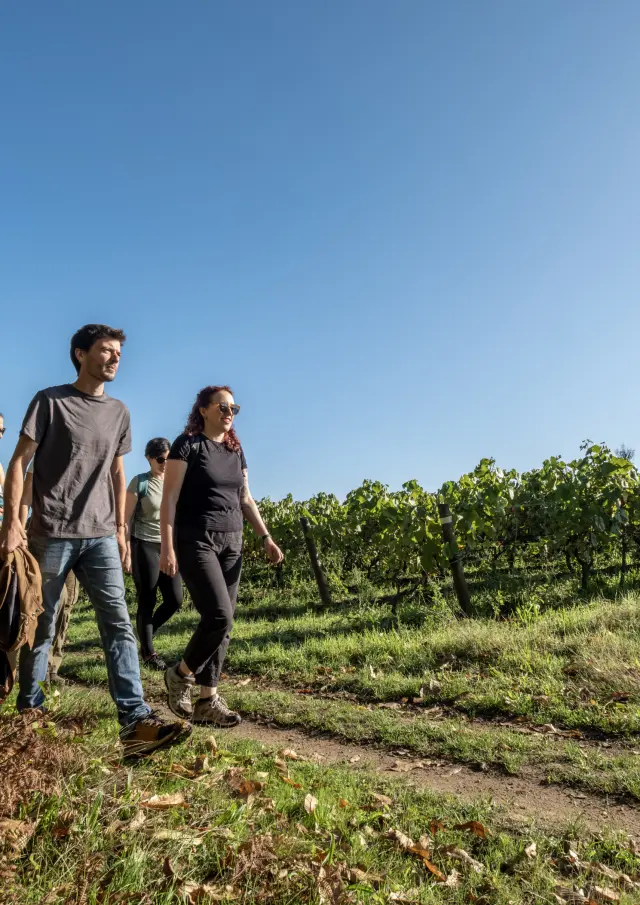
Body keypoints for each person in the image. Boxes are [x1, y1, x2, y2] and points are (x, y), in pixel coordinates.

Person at [0, 324, 190, 755]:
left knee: (118, 625)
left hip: (101, 535)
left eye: (119, 353)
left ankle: (135, 722)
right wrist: (13, 521)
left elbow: (117, 473)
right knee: (40, 627)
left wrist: (121, 532)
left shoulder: (120, 412)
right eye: (106, 351)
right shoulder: (49, 401)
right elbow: (19, 463)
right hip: (50, 534)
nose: (115, 358)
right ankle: (30, 713)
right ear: (80, 354)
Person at [160, 385, 283, 726]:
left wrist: (265, 537)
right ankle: (180, 674)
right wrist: (167, 546)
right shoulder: (187, 444)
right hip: (195, 539)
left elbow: (245, 498)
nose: (230, 413)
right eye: (223, 406)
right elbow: (169, 499)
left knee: (223, 626)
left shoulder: (235, 450)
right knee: (219, 617)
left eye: (234, 408)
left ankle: (206, 701)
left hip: (233, 541)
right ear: (203, 409)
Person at [125, 437, 183, 670]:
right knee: (147, 599)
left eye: (168, 459)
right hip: (144, 545)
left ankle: (144, 633)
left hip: (168, 546)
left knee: (175, 599)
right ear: (149, 458)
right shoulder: (140, 483)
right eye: (160, 459)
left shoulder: (175, 482)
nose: (165, 464)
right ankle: (148, 653)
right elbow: (127, 519)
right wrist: (127, 550)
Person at [19, 464, 79, 686]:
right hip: (46, 534)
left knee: (68, 603)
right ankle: (35, 667)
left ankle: (53, 667)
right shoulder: (45, 454)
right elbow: (26, 496)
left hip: (80, 534)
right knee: (48, 601)